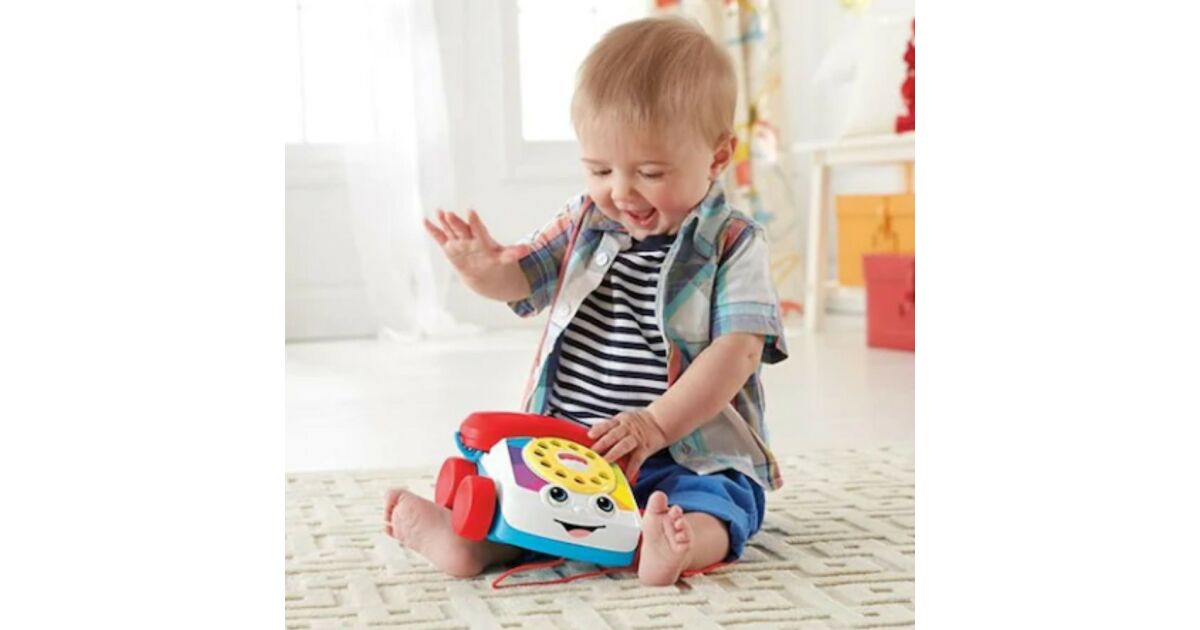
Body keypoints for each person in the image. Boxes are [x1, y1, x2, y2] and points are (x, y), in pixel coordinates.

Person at [384, 15, 788, 586]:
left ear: (718, 157)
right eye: (600, 169)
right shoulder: (586, 220)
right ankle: (468, 543)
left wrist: (654, 425)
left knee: (718, 506)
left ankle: (673, 546)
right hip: (572, 449)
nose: (621, 191)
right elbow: (524, 278)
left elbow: (738, 352)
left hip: (684, 455)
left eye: (650, 172)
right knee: (522, 501)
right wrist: (485, 272)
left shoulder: (734, 243)